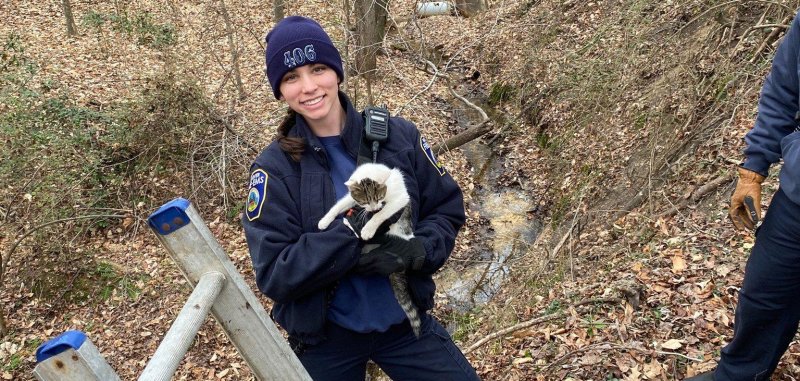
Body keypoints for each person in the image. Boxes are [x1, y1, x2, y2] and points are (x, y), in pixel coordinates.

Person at [242, 15, 481, 381]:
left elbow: (445, 209)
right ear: (280, 90)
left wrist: (416, 251)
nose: (308, 86)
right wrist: (350, 236)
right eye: (291, 77)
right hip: (325, 338)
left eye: (318, 68)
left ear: (336, 72)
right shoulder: (274, 169)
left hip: (406, 325)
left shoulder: (398, 138)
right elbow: (275, 273)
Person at [685, 12, 800, 381]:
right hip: (797, 200)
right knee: (764, 293)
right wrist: (753, 170)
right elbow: (782, 92)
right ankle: (738, 375)